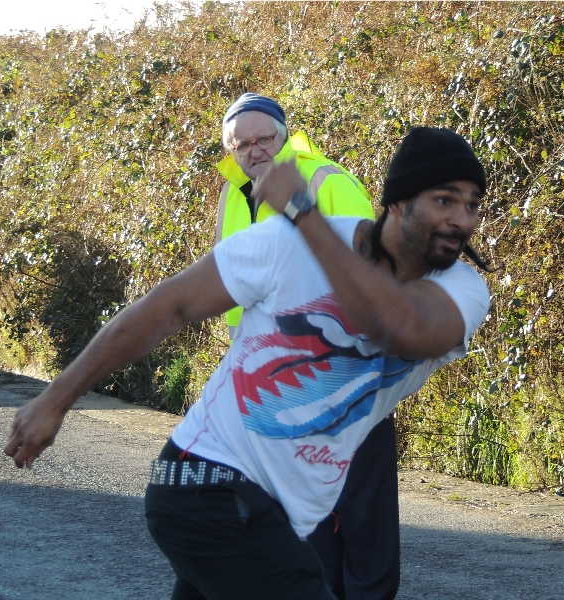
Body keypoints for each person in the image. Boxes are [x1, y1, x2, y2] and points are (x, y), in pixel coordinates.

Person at [5, 126, 492, 600]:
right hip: (205, 484)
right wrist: (56, 399)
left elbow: (396, 327)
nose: (461, 219)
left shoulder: (461, 291)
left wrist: (302, 212)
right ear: (399, 202)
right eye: (444, 200)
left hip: (277, 515)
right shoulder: (285, 244)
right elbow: (168, 308)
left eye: (472, 205)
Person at [217, 93, 399, 599]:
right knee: (303, 521)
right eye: (241, 144)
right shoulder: (233, 194)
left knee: (363, 519)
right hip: (278, 386)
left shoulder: (327, 181)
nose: (254, 150)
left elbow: (372, 275)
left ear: (285, 136)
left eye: (264, 139)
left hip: (347, 376)